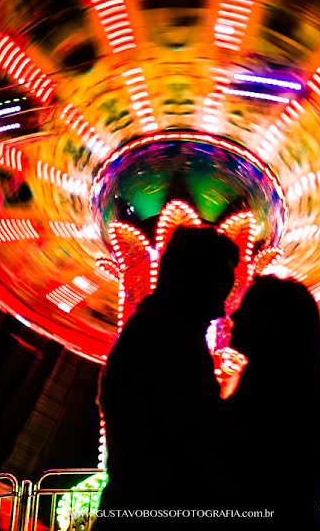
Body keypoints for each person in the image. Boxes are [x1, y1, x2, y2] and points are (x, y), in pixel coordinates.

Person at [94, 225, 239, 530]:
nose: (222, 305)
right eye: (219, 285)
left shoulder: (157, 331)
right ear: (192, 279)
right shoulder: (167, 339)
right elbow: (193, 437)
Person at [221, 275, 320, 529]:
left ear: (272, 323)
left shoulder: (272, 394)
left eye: (249, 308)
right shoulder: (305, 390)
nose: (235, 316)